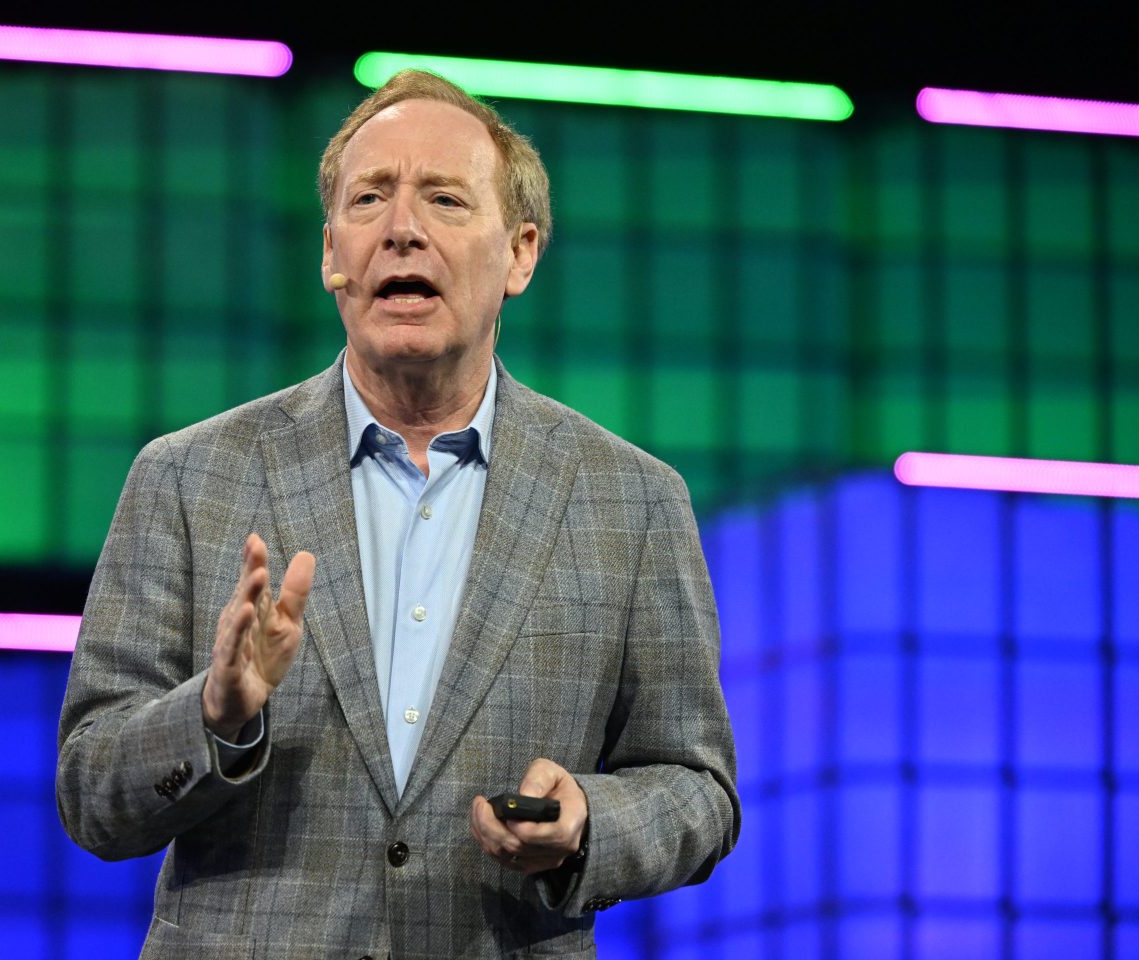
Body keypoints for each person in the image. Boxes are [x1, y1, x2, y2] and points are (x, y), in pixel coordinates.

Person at [56, 69, 739, 959]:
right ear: (331, 251)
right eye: (369, 197)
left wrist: (585, 822)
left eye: (447, 200)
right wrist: (215, 717)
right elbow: (88, 788)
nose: (402, 228)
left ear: (521, 253)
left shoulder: (632, 501)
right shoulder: (188, 478)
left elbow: (698, 789)